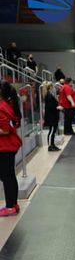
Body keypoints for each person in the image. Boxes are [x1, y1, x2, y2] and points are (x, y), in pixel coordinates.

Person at [0, 82, 22, 217]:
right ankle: (13, 205)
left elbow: (5, 130)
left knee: (7, 177)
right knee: (10, 176)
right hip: (9, 146)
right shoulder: (7, 106)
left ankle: (10, 206)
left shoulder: (2, 107)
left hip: (5, 147)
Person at [43, 81, 61, 151]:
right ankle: (50, 146)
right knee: (51, 131)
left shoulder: (49, 95)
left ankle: (52, 144)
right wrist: (57, 107)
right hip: (51, 117)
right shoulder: (49, 96)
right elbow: (51, 107)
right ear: (50, 87)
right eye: (52, 86)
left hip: (52, 116)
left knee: (52, 131)